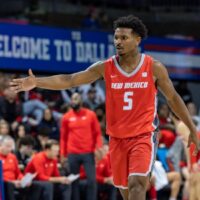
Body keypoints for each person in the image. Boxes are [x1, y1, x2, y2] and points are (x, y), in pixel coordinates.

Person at [10, 15, 199, 200]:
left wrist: (191, 128)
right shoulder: (105, 67)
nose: (118, 41)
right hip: (117, 139)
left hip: (143, 136)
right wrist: (36, 82)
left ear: (137, 40)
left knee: (137, 185)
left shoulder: (153, 67)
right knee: (126, 192)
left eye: (124, 37)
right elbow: (70, 80)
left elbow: (173, 98)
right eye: (116, 37)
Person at [60, 92, 102, 200]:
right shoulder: (66, 117)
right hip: (72, 153)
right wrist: (62, 154)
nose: (73, 101)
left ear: (81, 101)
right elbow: (63, 137)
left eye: (76, 99)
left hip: (88, 152)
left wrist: (99, 147)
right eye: (72, 99)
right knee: (74, 181)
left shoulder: (90, 115)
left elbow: (97, 133)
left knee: (92, 181)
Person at [0, 135, 42, 200]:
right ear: (1, 145)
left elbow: (18, 173)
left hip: (16, 182)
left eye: (11, 146)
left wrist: (23, 180)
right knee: (9, 185)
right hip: (4, 183)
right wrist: (12, 182)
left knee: (36, 186)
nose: (10, 149)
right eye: (7, 146)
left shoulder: (12, 157)